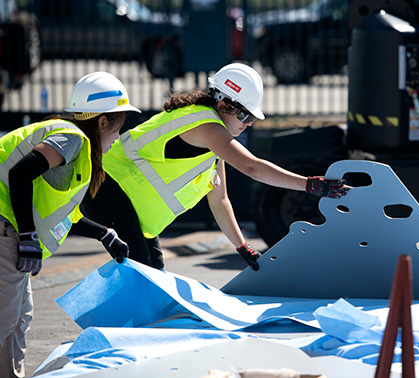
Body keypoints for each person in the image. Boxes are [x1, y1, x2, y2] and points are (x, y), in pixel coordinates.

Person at [80, 62, 348, 271]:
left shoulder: (213, 147)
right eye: (244, 114)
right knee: (139, 272)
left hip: (126, 204)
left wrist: (242, 247)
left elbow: (220, 201)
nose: (248, 123)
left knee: (153, 275)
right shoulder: (205, 125)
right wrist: (311, 185)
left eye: (252, 118)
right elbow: (252, 168)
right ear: (222, 105)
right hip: (107, 191)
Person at [0, 71, 138, 378]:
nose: (119, 134)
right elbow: (20, 174)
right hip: (6, 227)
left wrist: (104, 234)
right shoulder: (72, 138)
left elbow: (63, 214)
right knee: (4, 317)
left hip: (10, 227)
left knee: (17, 318)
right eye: (119, 123)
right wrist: (27, 237)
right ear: (102, 121)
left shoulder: (77, 148)